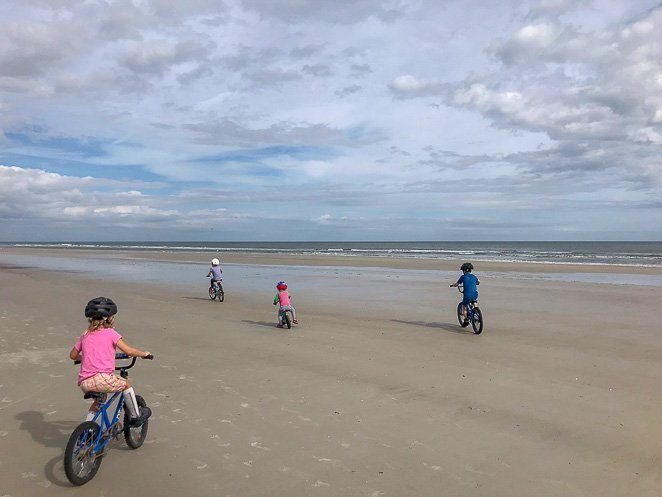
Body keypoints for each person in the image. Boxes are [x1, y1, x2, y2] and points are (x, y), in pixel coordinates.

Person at [69, 297, 152, 426]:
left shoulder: (85, 334)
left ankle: (89, 428)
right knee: (126, 385)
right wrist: (143, 354)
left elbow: (73, 355)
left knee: (99, 401)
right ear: (109, 318)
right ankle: (136, 416)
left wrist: (86, 357)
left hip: (85, 382)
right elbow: (129, 351)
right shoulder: (111, 333)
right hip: (102, 379)